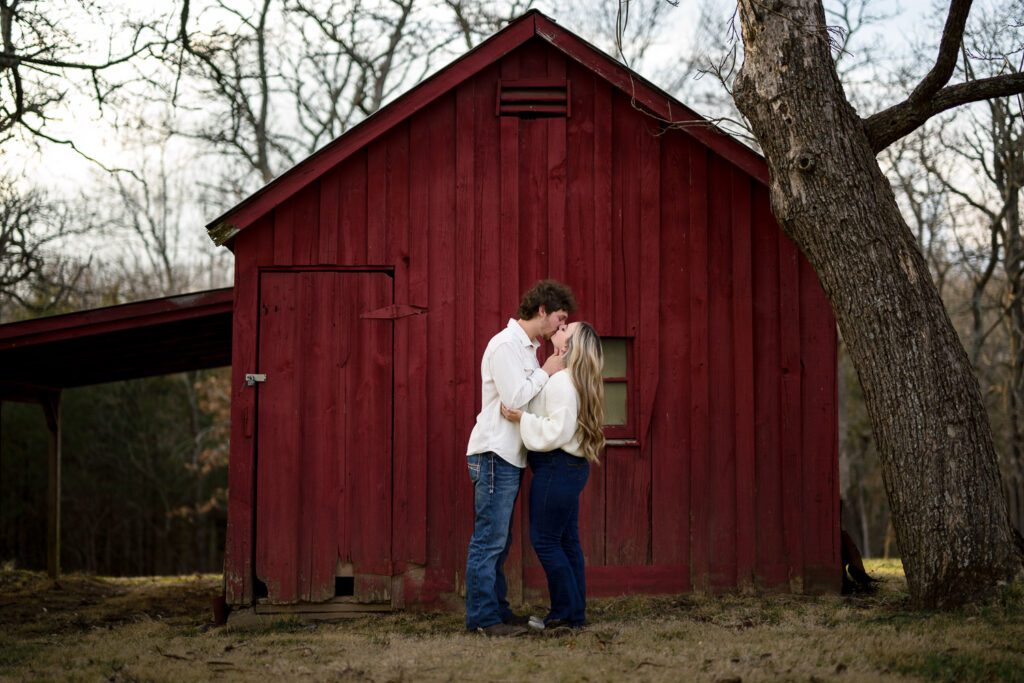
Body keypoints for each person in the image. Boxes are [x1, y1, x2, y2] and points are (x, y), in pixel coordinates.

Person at [465, 279, 577, 636]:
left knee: (501, 541)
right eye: (559, 318)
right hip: (494, 452)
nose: (561, 327)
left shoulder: (527, 349)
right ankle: (483, 620)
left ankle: (496, 610)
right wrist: (547, 372)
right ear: (541, 310)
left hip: (510, 456)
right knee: (490, 539)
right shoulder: (504, 345)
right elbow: (514, 398)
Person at [501, 321, 604, 631]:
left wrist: (521, 418)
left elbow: (554, 431)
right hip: (570, 469)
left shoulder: (561, 383)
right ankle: (574, 614)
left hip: (557, 468)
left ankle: (564, 613)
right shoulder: (574, 381)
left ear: (566, 347)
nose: (557, 329)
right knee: (567, 541)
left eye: (564, 330)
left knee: (545, 541)